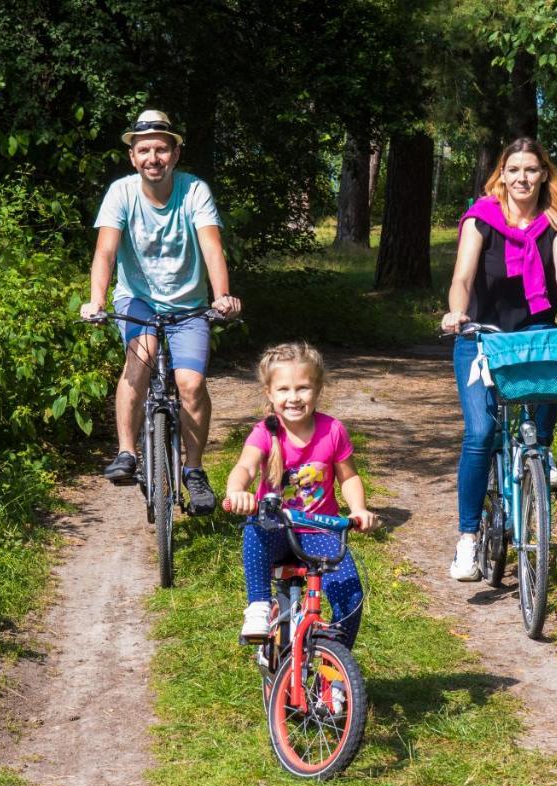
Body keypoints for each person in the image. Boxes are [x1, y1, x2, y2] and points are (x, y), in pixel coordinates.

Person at [440, 137, 557, 582]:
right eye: (513, 169)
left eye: (531, 170)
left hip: (532, 333)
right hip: (480, 334)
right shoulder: (481, 218)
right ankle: (468, 538)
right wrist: (457, 313)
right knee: (481, 431)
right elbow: (462, 276)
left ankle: (542, 449)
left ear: (544, 175)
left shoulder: (556, 221)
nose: (522, 178)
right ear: (501, 175)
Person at [80, 109, 241, 514]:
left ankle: (194, 471)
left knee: (190, 384)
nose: (153, 157)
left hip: (189, 305)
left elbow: (211, 249)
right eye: (144, 150)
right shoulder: (121, 193)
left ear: (175, 153)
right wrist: (97, 300)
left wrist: (222, 296)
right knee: (142, 357)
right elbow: (105, 251)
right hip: (137, 299)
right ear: (133, 157)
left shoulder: (194, 191)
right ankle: (127, 454)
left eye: (161, 149)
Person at [222, 342, 380, 642]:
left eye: (303, 388)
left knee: (350, 596)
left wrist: (358, 509)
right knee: (256, 526)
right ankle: (257, 605)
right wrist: (237, 490)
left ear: (318, 389)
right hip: (277, 529)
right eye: (283, 389)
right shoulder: (265, 432)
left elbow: (349, 477)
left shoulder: (332, 430)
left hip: (321, 531)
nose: (293, 398)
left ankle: (334, 672)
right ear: (269, 393)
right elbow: (245, 467)